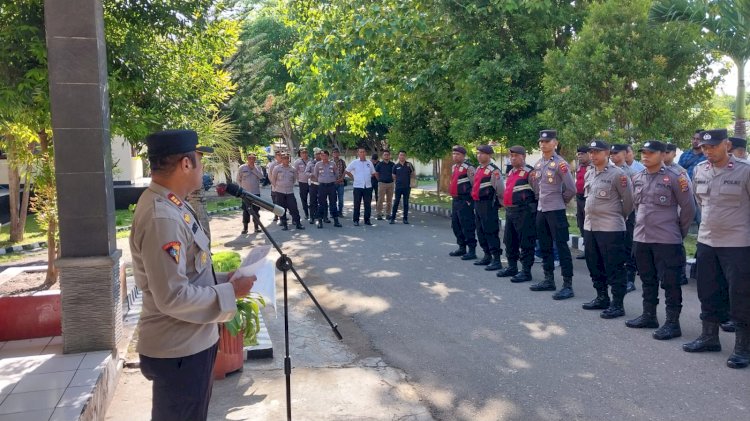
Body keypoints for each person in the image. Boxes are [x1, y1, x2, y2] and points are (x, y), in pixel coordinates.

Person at [130, 129, 256, 421]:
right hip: (178, 350)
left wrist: (224, 279)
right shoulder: (162, 216)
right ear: (186, 164)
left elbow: (188, 272)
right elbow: (172, 295)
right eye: (200, 160)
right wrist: (230, 293)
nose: (203, 168)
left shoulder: (172, 204)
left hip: (188, 344)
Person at [683, 129, 750, 370]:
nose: (708, 151)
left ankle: (743, 347)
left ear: (727, 145)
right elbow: (701, 202)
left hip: (738, 244)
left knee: (741, 296)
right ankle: (709, 337)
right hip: (707, 241)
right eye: (704, 147)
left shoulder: (745, 170)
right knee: (708, 291)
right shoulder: (700, 170)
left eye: (712, 146)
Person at [625, 141, 695, 339]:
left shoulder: (675, 177)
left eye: (651, 153)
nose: (645, 156)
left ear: (663, 155)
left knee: (670, 282)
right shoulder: (637, 177)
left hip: (666, 239)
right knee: (647, 279)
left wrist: (677, 232)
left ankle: (672, 323)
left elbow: (689, 208)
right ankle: (649, 315)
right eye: (643, 152)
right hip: (642, 238)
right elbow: (636, 207)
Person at [578, 140, 633, 319]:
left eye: (597, 152)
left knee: (614, 266)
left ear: (607, 153)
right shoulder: (589, 173)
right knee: (594, 263)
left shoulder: (618, 174)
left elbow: (629, 201)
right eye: (591, 152)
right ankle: (602, 297)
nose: (593, 155)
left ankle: (617, 304)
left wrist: (618, 217)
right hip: (590, 226)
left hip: (610, 228)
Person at [529, 130, 577, 299]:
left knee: (562, 246)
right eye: (541, 141)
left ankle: (567, 285)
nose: (543, 144)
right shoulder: (538, 164)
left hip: (556, 211)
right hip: (542, 210)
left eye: (547, 141)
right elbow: (536, 186)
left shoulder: (560, 164)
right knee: (545, 245)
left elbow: (571, 188)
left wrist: (560, 201)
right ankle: (549, 279)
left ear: (555, 143)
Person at [496, 145, 536, 282]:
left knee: (525, 242)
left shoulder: (530, 172)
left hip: (524, 212)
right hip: (510, 211)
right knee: (509, 240)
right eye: (511, 156)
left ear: (523, 157)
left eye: (516, 156)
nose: (512, 158)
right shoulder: (511, 172)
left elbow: (537, 193)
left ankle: (526, 271)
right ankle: (512, 267)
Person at [471, 145, 505, 271]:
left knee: (490, 230)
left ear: (489, 155)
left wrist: (500, 203)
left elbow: (500, 189)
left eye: (482, 153)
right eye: (478, 153)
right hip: (478, 204)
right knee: (480, 230)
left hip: (488, 204)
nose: (479, 155)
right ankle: (487, 255)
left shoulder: (493, 170)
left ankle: (496, 259)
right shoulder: (478, 168)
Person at [610, 144, 638, 293]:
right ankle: (616, 277)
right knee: (615, 246)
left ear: (625, 154)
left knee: (628, 245)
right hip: (613, 213)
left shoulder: (632, 173)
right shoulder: (608, 170)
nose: (613, 156)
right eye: (611, 153)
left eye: (617, 153)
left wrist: (627, 214)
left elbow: (634, 196)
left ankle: (630, 279)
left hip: (628, 212)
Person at [447, 145, 478, 260]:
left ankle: (472, 250)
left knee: (467, 225)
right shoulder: (454, 167)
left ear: (463, 156)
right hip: (456, 200)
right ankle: (461, 247)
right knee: (456, 225)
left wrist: (470, 200)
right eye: (453, 154)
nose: (455, 156)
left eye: (458, 154)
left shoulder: (469, 168)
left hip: (465, 201)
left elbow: (475, 185)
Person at [271, 153, 305, 230]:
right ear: (282, 159)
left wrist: (288, 185)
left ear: (289, 159)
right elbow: (273, 180)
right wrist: (278, 187)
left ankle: (298, 224)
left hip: (289, 192)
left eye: (287, 158)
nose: (286, 160)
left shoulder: (292, 169)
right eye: (284, 158)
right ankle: (284, 225)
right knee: (281, 209)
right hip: (280, 192)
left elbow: (294, 180)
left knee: (294, 208)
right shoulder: (277, 168)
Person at [345, 147, 377, 226]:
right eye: (360, 152)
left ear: (366, 153)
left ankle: (367, 220)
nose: (362, 153)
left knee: (367, 204)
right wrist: (354, 178)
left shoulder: (369, 163)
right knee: (357, 204)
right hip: (358, 187)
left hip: (368, 187)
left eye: (363, 152)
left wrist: (368, 178)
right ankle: (356, 220)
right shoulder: (354, 162)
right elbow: (347, 171)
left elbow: (373, 173)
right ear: (358, 154)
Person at [237, 153, 264, 234]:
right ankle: (245, 228)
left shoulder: (258, 167)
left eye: (253, 158)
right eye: (250, 158)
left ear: (255, 159)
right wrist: (241, 189)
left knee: (256, 211)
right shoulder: (242, 167)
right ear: (247, 159)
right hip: (245, 193)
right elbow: (238, 179)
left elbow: (261, 177)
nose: (252, 160)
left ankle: (256, 227)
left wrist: (253, 169)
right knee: (246, 211)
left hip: (255, 193)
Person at [315, 150, 342, 228]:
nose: (323, 157)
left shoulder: (332, 164)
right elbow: (316, 175)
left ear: (328, 156)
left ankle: (336, 221)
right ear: (320, 156)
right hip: (322, 187)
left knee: (333, 203)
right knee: (321, 204)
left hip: (331, 186)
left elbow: (336, 174)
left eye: (325, 155)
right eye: (322, 155)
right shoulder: (318, 164)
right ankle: (320, 221)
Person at [390, 150, 416, 224]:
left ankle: (405, 219)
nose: (402, 156)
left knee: (406, 203)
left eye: (403, 155)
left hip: (407, 187)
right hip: (398, 187)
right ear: (398, 156)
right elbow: (393, 176)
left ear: (405, 156)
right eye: (401, 155)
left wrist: (411, 181)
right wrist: (397, 182)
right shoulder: (395, 166)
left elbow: (413, 174)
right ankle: (392, 218)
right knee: (396, 202)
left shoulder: (409, 164)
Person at [575, 145, 591, 260]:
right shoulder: (579, 167)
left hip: (588, 198)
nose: (580, 156)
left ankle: (591, 250)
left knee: (589, 224)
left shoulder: (593, 167)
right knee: (581, 223)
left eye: (582, 154)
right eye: (579, 154)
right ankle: (587, 249)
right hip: (579, 198)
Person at [375, 151, 396, 220]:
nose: (386, 156)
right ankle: (379, 214)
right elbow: (376, 173)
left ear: (390, 156)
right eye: (385, 155)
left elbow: (395, 174)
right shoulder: (379, 164)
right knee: (380, 199)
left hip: (391, 184)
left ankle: (388, 214)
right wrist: (380, 180)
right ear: (382, 156)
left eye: (387, 155)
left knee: (389, 200)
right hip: (382, 184)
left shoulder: (393, 164)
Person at [293, 149, 311, 221]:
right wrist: (298, 180)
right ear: (300, 154)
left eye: (306, 153)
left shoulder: (311, 161)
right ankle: (306, 214)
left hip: (311, 183)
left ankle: (313, 213)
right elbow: (295, 172)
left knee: (313, 198)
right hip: (302, 183)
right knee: (304, 199)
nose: (304, 154)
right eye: (302, 153)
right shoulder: (297, 162)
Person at [267, 150, 284, 224]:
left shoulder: (285, 164)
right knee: (275, 202)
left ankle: (283, 216)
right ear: (276, 156)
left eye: (281, 155)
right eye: (278, 155)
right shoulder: (272, 165)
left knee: (283, 202)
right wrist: (274, 184)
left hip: (283, 188)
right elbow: (270, 176)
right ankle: (276, 216)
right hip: (275, 187)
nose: (280, 156)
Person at [332, 148, 347, 217]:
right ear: (332, 154)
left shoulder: (342, 162)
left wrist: (342, 178)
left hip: (341, 183)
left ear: (339, 153)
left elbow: (345, 171)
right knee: (333, 199)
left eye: (337, 152)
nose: (335, 153)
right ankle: (333, 213)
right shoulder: (330, 162)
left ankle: (340, 212)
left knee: (341, 199)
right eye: (334, 152)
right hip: (332, 183)